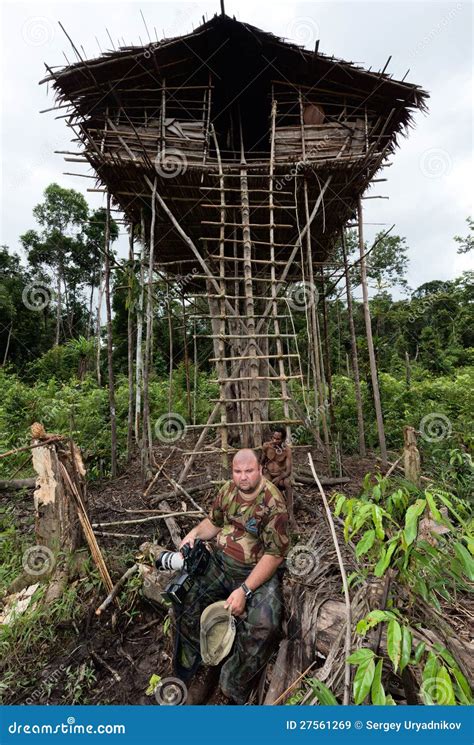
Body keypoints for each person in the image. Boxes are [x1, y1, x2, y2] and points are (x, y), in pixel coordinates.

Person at [174, 448, 289, 705]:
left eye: (249, 471)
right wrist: (193, 534)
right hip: (221, 562)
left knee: (265, 624)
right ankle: (196, 665)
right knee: (185, 594)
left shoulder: (273, 502)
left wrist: (245, 591)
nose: (243, 477)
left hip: (256, 572)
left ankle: (231, 684)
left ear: (260, 470)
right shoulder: (227, 491)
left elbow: (275, 555)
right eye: (238, 472)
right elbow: (213, 523)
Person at [261, 426, 295, 529]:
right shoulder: (267, 446)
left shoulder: (287, 450)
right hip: (268, 474)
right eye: (274, 438)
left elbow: (288, 471)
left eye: (278, 439)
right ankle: (264, 512)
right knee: (264, 483)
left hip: (281, 476)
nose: (275, 441)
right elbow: (262, 463)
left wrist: (279, 478)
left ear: (283, 439)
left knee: (287, 483)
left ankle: (290, 514)